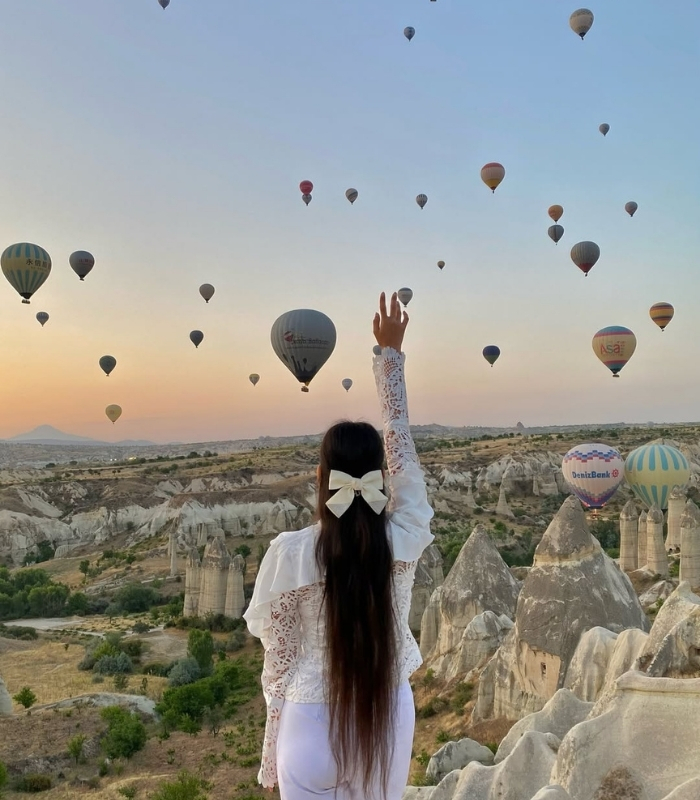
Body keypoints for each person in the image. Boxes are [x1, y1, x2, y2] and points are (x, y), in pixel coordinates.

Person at [244, 292, 434, 799]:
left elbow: (278, 663)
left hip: (308, 724)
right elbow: (401, 445)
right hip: (385, 718)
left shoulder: (291, 554)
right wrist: (388, 357)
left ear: (322, 477)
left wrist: (271, 758)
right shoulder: (406, 537)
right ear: (379, 478)